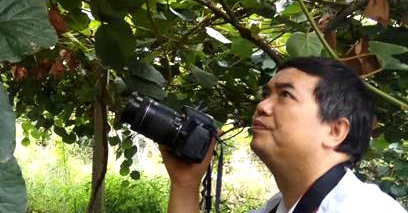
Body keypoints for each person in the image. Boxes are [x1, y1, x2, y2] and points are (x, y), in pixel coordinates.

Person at [161, 57, 407, 213]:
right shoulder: (275, 208)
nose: (263, 106)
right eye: (267, 95)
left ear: (335, 131)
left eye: (286, 95)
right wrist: (186, 184)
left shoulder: (366, 209)